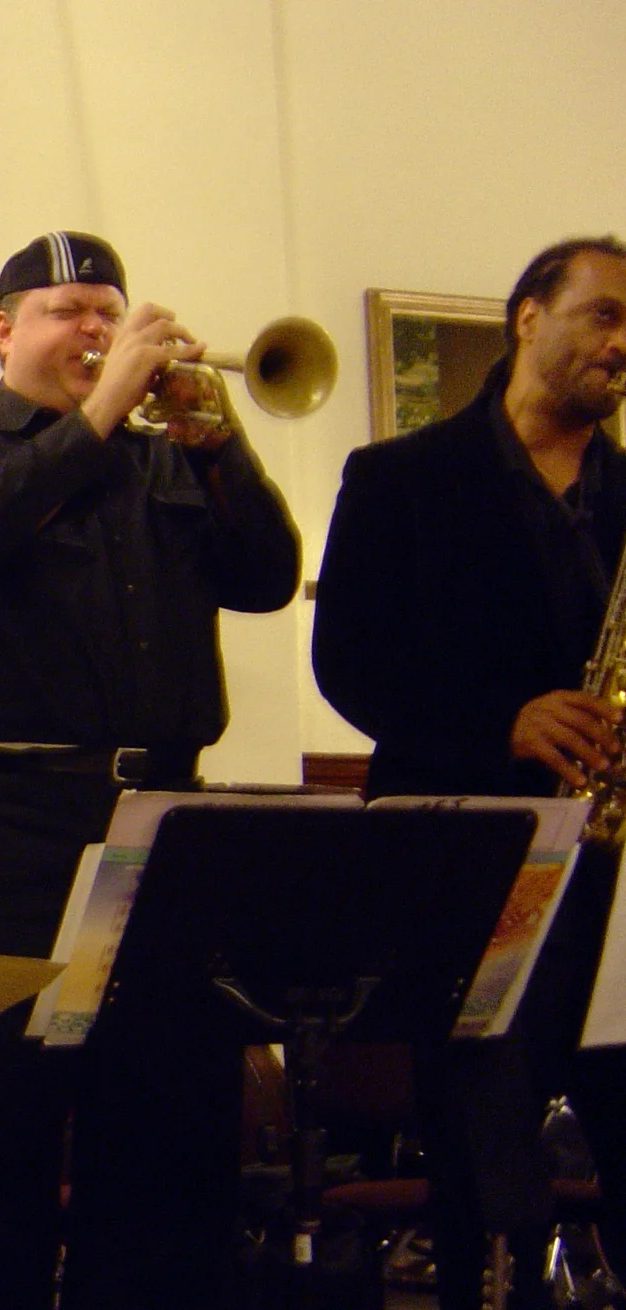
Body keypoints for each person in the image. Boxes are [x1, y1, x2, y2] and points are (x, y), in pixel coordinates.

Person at [0, 230, 301, 1309]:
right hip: (7, 826)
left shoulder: (169, 458)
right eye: (69, 310)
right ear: (4, 329)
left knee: (168, 1138)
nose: (97, 330)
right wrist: (102, 411)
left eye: (111, 313)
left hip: (165, 820)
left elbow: (267, 576)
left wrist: (220, 447)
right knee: (4, 1135)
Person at [312, 235, 626, 1310]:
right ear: (528, 316)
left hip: (613, 883)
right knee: (480, 1178)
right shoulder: (400, 478)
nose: (621, 343)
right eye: (604, 314)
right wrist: (505, 723)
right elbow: (349, 665)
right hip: (467, 869)